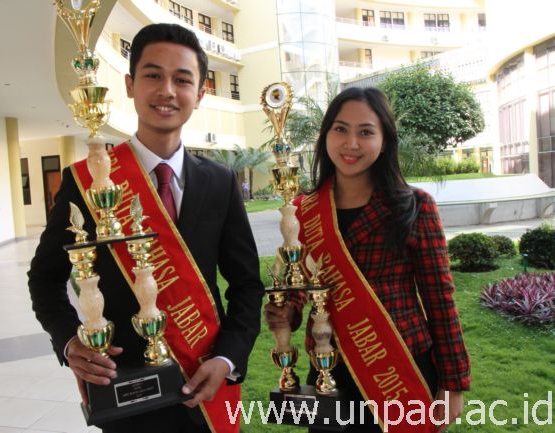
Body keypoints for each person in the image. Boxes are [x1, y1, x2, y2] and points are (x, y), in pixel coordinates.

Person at [28, 23, 264, 433]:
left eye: (182, 79)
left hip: (206, 380)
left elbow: (246, 284)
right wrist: (70, 343)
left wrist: (228, 358)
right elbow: (45, 279)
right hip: (124, 391)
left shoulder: (219, 181)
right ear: (130, 85)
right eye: (153, 75)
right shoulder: (87, 181)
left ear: (200, 94)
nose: (167, 90)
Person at [265, 87, 470, 433]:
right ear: (326, 136)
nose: (351, 144)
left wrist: (452, 385)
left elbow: (440, 300)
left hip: (398, 366)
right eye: (340, 129)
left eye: (365, 132)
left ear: (384, 141)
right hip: (328, 369)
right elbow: (301, 285)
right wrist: (287, 311)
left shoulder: (415, 206)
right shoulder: (302, 211)